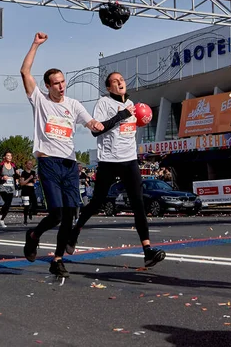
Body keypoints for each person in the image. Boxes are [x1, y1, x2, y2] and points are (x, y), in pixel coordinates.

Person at [21, 32, 104, 278]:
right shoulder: (40, 101)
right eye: (56, 82)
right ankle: (33, 235)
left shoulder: (74, 104)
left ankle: (57, 260)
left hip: (70, 164)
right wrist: (35, 44)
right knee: (56, 214)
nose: (61, 85)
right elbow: (25, 72)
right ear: (48, 85)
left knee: (70, 214)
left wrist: (96, 125)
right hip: (48, 162)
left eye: (63, 81)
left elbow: (90, 122)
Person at [66, 72, 166, 268]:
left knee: (138, 204)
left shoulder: (133, 104)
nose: (120, 82)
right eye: (115, 81)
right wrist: (122, 115)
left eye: (122, 79)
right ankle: (75, 231)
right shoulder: (104, 103)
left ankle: (147, 251)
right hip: (109, 160)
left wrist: (140, 118)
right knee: (97, 202)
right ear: (108, 88)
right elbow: (97, 130)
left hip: (129, 160)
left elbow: (130, 129)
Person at [0, 152, 19, 228]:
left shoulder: (13, 165)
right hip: (2, 186)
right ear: (4, 157)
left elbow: (16, 176)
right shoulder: (1, 165)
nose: (9, 157)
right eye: (8, 155)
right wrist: (2, 178)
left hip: (11, 186)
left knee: (8, 204)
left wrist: (18, 174)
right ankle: (1, 219)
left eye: (10, 155)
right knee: (7, 202)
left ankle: (1, 218)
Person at [20, 159, 38, 225]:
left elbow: (35, 181)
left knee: (34, 202)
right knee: (26, 205)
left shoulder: (33, 172)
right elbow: (22, 183)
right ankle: (25, 219)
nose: (30, 165)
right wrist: (29, 178)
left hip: (32, 188)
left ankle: (31, 211)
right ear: (26, 165)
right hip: (25, 189)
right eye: (29, 164)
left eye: (31, 164)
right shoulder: (23, 173)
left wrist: (35, 178)